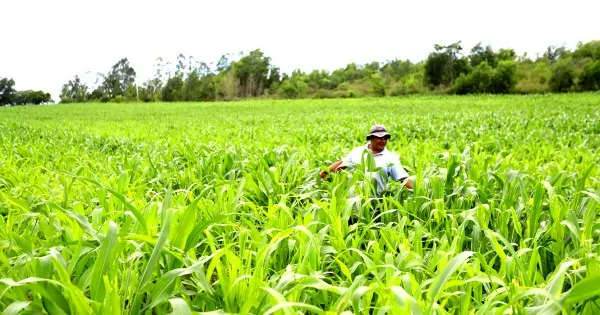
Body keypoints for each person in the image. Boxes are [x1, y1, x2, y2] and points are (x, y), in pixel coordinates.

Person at [320, 124, 413, 193]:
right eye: (379, 137)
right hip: (354, 202)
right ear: (371, 138)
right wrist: (325, 173)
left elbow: (404, 178)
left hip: (376, 204)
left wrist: (416, 191)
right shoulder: (357, 151)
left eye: (385, 138)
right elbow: (342, 164)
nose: (383, 141)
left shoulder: (391, 158)